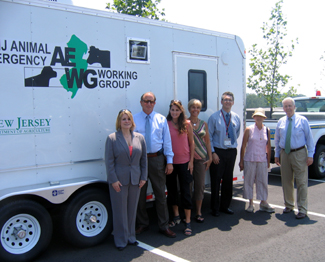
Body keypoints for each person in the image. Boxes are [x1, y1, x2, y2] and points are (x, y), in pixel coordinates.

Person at [134, 92, 176, 238]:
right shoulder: (134, 119)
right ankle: (142, 224)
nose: (149, 104)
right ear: (141, 102)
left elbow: (167, 142)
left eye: (151, 101)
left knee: (160, 194)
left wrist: (169, 161)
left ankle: (163, 226)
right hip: (140, 161)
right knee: (140, 194)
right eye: (146, 101)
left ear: (155, 103)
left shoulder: (161, 119)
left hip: (157, 160)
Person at [105, 109, 147, 251]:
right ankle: (120, 240)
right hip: (119, 180)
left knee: (131, 210)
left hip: (135, 179)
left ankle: (131, 237)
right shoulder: (112, 138)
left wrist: (143, 177)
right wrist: (113, 180)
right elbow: (109, 162)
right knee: (119, 211)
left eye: (128, 119)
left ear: (132, 121)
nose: (126, 121)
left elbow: (144, 160)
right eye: (124, 119)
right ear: (119, 121)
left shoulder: (139, 138)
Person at [274, 97, 314, 219]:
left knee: (301, 182)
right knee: (286, 181)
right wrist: (276, 155)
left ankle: (302, 209)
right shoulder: (280, 121)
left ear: (294, 107)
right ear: (283, 108)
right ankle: (289, 205)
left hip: (299, 153)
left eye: (290, 106)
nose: (288, 108)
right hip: (284, 154)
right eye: (285, 106)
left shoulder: (302, 120)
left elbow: (309, 139)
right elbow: (277, 140)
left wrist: (310, 155)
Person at [208, 91, 241, 216]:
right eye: (225, 100)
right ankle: (215, 208)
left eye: (230, 100)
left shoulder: (236, 117)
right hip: (218, 152)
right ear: (221, 102)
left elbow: (237, 133)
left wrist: (230, 144)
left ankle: (225, 206)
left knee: (228, 180)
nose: (227, 102)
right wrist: (213, 153)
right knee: (216, 181)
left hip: (231, 152)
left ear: (233, 102)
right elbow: (209, 136)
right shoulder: (214, 117)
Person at [166, 100, 195, 236]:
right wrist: (167, 162)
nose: (174, 112)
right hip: (171, 163)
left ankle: (188, 221)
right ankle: (176, 216)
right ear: (170, 110)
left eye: (177, 110)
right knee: (172, 191)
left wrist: (191, 162)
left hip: (184, 162)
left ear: (181, 111)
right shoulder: (166, 124)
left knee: (185, 192)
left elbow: (192, 143)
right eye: (172, 110)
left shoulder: (187, 124)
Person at [239, 108, 274, 213]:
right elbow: (243, 146)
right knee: (249, 181)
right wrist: (241, 161)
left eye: (261, 116)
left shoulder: (266, 130)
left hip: (262, 159)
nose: (259, 118)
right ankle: (250, 203)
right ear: (254, 117)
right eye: (257, 116)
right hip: (250, 158)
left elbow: (268, 146)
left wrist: (268, 161)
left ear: (264, 118)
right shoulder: (249, 129)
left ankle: (263, 202)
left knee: (263, 181)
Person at [188, 99, 212, 223]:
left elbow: (207, 142)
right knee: (188, 186)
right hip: (188, 160)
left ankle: (198, 212)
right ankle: (187, 212)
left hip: (202, 159)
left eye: (198, 108)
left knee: (200, 186)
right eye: (193, 107)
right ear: (189, 109)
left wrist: (210, 158)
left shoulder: (204, 124)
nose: (195, 110)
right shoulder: (185, 123)